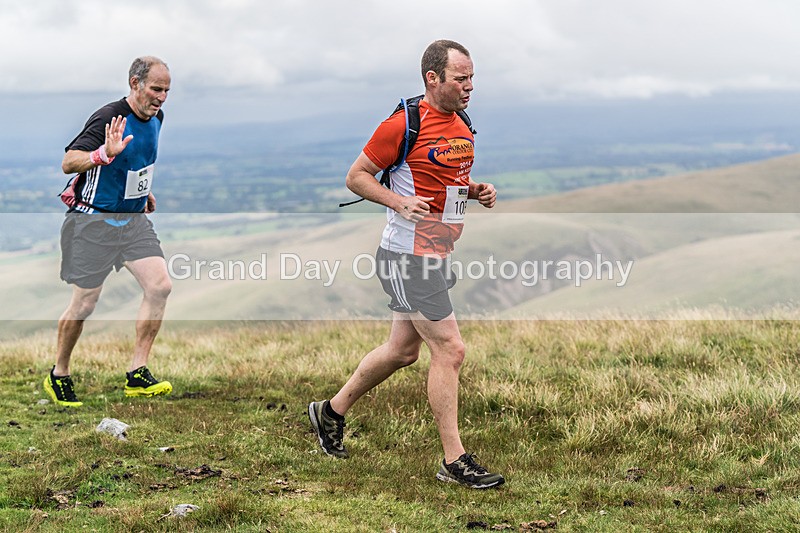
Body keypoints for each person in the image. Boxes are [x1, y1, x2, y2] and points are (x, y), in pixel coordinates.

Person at [308, 40, 504, 489]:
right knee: (450, 350)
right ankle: (454, 461)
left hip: (437, 252)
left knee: (402, 351)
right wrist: (398, 202)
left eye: (472, 78)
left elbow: (445, 178)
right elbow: (356, 177)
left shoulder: (462, 122)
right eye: (461, 79)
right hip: (407, 255)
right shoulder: (402, 124)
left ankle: (330, 412)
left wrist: (475, 190)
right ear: (432, 78)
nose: (470, 87)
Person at [44, 56, 174, 407]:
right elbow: (69, 162)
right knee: (85, 303)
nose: (162, 97)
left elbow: (137, 161)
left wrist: (142, 192)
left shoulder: (158, 118)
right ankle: (59, 373)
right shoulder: (108, 117)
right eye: (156, 89)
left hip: (132, 222)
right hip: (93, 223)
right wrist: (103, 153)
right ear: (135, 83)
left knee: (160, 286)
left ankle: (137, 373)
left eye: (166, 91)